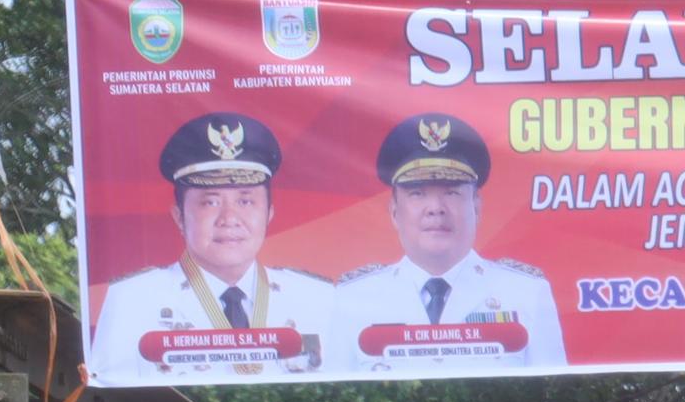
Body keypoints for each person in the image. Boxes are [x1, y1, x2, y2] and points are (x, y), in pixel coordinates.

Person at [89, 112, 337, 378]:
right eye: (210, 202)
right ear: (179, 217)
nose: (229, 219)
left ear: (269, 214)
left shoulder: (316, 298)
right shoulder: (133, 300)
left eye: (245, 202)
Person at [337, 115, 567, 371]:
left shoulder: (526, 292)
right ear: (394, 211)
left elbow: (551, 391)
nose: (436, 208)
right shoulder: (352, 298)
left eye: (451, 192)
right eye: (417, 193)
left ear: (476, 208)